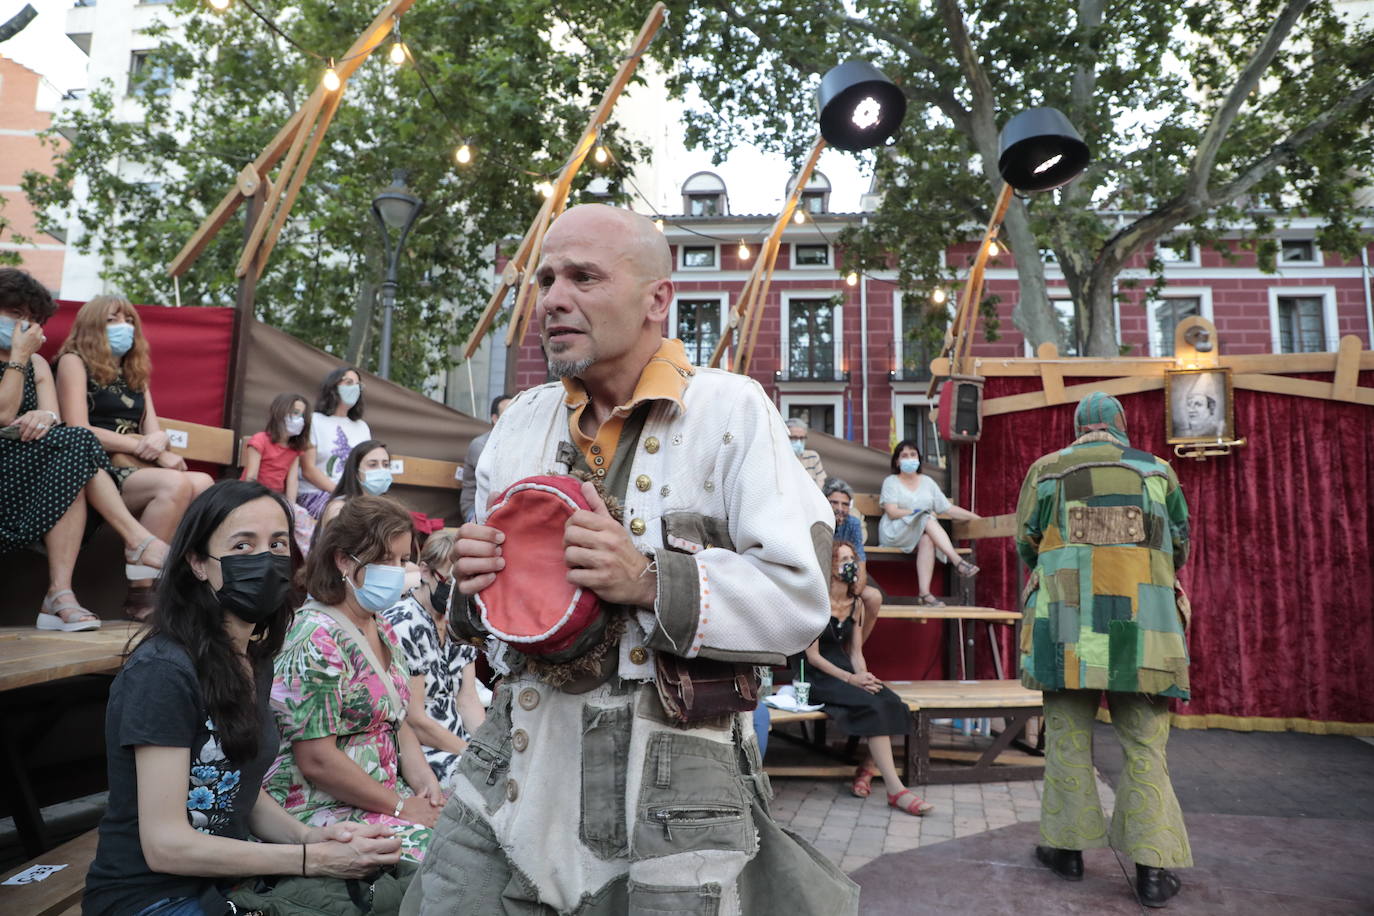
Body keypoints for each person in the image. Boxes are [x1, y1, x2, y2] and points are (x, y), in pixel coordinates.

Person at [404, 204, 856, 915]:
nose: (553, 298)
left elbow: (802, 602)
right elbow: (481, 627)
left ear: (657, 299)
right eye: (546, 278)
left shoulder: (733, 411)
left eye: (584, 276)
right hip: (512, 769)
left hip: (674, 796)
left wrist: (646, 581)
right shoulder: (518, 422)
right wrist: (473, 584)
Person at [83, 480, 401, 916]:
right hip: (151, 898)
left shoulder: (254, 657)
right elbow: (165, 846)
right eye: (242, 545)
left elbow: (241, 792)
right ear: (198, 562)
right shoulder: (162, 671)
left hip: (226, 885)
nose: (265, 560)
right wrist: (309, 860)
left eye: (277, 544)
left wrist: (311, 838)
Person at [1017, 392, 1192, 908]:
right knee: (1145, 746)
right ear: (1120, 425)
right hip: (1143, 624)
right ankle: (1153, 870)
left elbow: (1027, 542)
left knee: (1067, 739)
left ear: (1078, 426)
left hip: (1067, 622)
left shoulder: (1046, 470)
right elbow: (1179, 543)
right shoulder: (1156, 470)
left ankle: (1067, 853)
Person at [265, 495, 444, 863]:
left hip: (382, 798)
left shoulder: (381, 627)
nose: (396, 571)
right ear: (344, 560)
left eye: (402, 560)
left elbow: (397, 719)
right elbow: (316, 760)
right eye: (383, 560)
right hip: (321, 808)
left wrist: (425, 783)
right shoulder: (315, 638)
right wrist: (401, 807)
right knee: (446, 861)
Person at [0, 270, 170, 630]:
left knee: (74, 450)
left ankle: (60, 593)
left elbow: (55, 421)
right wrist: (17, 357)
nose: (25, 325)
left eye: (32, 318)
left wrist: (42, 415)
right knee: (77, 448)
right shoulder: (26, 359)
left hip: (31, 471)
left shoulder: (39, 363)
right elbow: (2, 413)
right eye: (16, 315)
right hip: (5, 472)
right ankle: (135, 543)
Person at [55, 295, 214, 619]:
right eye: (113, 319)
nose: (123, 327)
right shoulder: (74, 361)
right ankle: (141, 592)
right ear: (93, 324)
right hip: (95, 468)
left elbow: (153, 431)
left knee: (205, 483)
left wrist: (161, 442)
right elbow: (78, 428)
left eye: (129, 321)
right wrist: (143, 445)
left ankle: (186, 581)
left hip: (136, 467)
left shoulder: (135, 371)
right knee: (174, 485)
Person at [802, 541, 931, 816]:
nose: (849, 564)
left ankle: (867, 770)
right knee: (873, 706)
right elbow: (812, 657)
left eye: (852, 558)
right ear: (830, 566)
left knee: (893, 702)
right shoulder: (816, 602)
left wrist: (863, 675)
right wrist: (850, 679)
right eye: (843, 559)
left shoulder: (857, 603)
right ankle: (896, 790)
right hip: (819, 676)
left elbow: (856, 651)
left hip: (847, 671)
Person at [382, 531, 485, 790]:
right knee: (485, 786)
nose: (457, 593)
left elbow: (468, 699)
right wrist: (472, 755)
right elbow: (415, 719)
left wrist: (486, 748)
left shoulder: (458, 621)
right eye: (449, 582)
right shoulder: (404, 622)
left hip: (458, 743)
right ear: (425, 572)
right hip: (423, 751)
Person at [878, 439, 980, 607]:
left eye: (913, 454)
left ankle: (925, 594)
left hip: (920, 532)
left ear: (919, 458)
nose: (909, 458)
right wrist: (918, 513)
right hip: (895, 532)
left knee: (927, 539)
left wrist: (975, 517)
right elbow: (892, 511)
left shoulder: (927, 482)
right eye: (904, 455)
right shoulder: (891, 481)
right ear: (897, 461)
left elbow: (947, 508)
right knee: (927, 517)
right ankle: (958, 561)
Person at [297, 367, 372, 518]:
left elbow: (364, 468)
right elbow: (308, 469)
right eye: (349, 382)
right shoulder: (314, 420)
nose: (354, 388)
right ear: (333, 386)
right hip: (316, 494)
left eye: (358, 385)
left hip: (351, 497)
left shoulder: (362, 427)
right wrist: (342, 492)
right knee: (344, 515)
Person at [822, 477, 883, 644]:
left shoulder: (853, 524)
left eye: (844, 504)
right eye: (834, 503)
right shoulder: (817, 522)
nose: (839, 508)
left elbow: (860, 560)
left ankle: (852, 650)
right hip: (822, 582)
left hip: (847, 580)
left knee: (874, 597)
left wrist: (856, 589)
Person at [459, 393, 513, 523]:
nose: (514, 418)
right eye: (508, 414)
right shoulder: (480, 445)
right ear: (495, 418)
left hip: (503, 507)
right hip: (474, 508)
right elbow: (497, 477)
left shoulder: (515, 444)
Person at [318, 439, 392, 531]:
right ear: (356, 470)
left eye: (386, 465)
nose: (381, 470)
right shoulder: (339, 509)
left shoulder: (389, 508)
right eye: (373, 465)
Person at [1175, 373, 1223, 439]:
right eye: (1189, 404)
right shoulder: (1183, 435)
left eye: (1198, 404)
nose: (1191, 409)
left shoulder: (1219, 430)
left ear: (1210, 408)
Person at [784, 416, 827, 488]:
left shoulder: (813, 457)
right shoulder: (778, 458)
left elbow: (821, 482)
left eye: (802, 438)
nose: (799, 442)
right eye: (794, 437)